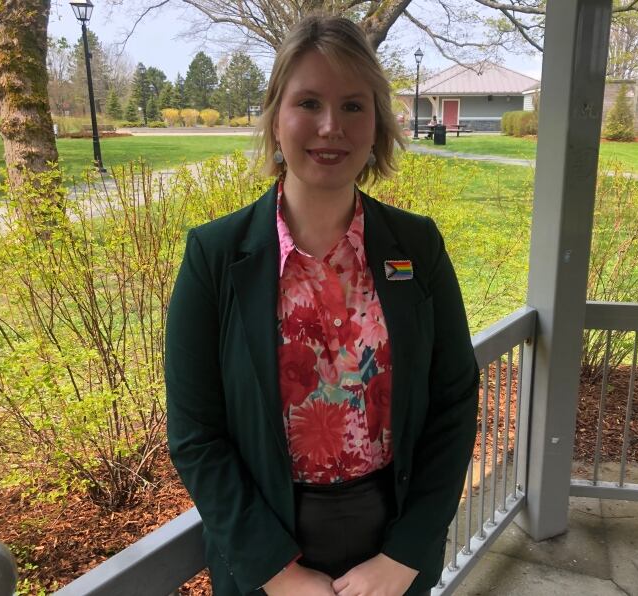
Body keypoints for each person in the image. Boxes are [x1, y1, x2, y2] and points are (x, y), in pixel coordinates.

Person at [165, 15, 479, 596]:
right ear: (276, 119)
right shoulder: (213, 257)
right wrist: (278, 573)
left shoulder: (418, 247)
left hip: (392, 544)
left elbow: (453, 403)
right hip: (266, 555)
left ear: (377, 123)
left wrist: (404, 556)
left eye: (354, 106)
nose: (331, 126)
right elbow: (195, 434)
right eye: (308, 102)